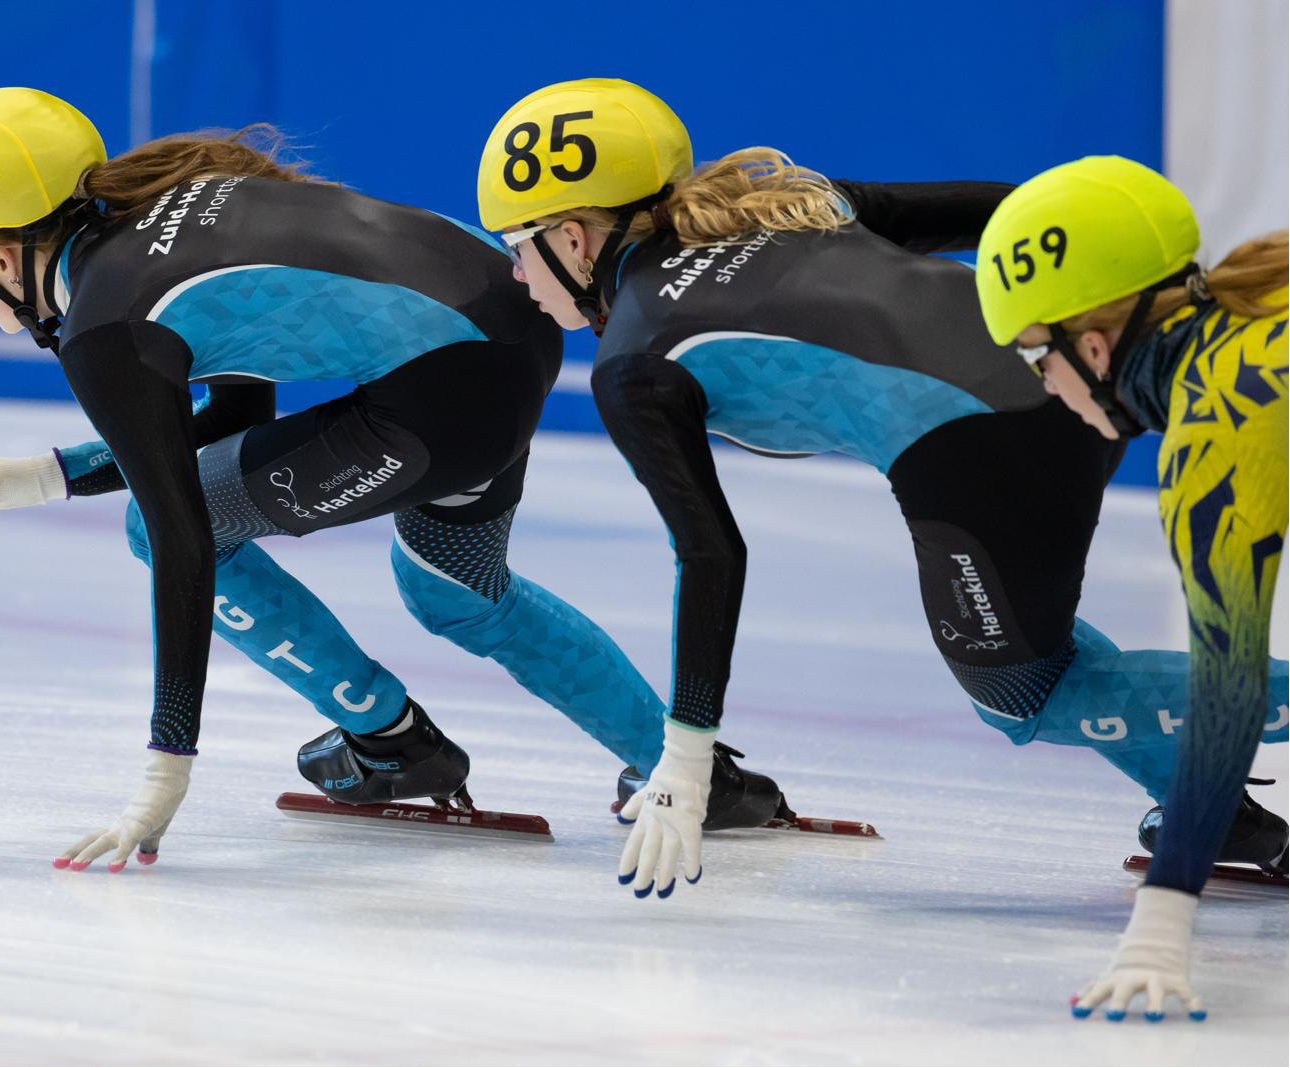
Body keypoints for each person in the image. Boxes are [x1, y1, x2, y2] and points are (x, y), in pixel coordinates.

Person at [0, 88, 784, 874]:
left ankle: (389, 740)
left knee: (154, 528)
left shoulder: (103, 322)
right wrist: (50, 475)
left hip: (443, 397)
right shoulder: (163, 213)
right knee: (457, 595)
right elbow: (233, 416)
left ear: (0, 257)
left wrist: (165, 769)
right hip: (510, 338)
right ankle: (693, 772)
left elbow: (179, 534)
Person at [473, 78, 1288, 900]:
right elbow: (1017, 211)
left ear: (572, 239)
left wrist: (684, 760)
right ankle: (1216, 812)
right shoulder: (782, 204)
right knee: (1031, 642)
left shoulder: (633, 359)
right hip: (1065, 372)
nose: (515, 273)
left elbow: (710, 554)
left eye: (517, 245)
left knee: (1023, 694)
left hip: (973, 451)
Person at [975, 156, 1288, 1022]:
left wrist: (1163, 917)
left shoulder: (1215, 432)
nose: (1041, 384)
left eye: (1033, 355)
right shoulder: (1263, 297)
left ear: (1093, 347)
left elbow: (1228, 690)